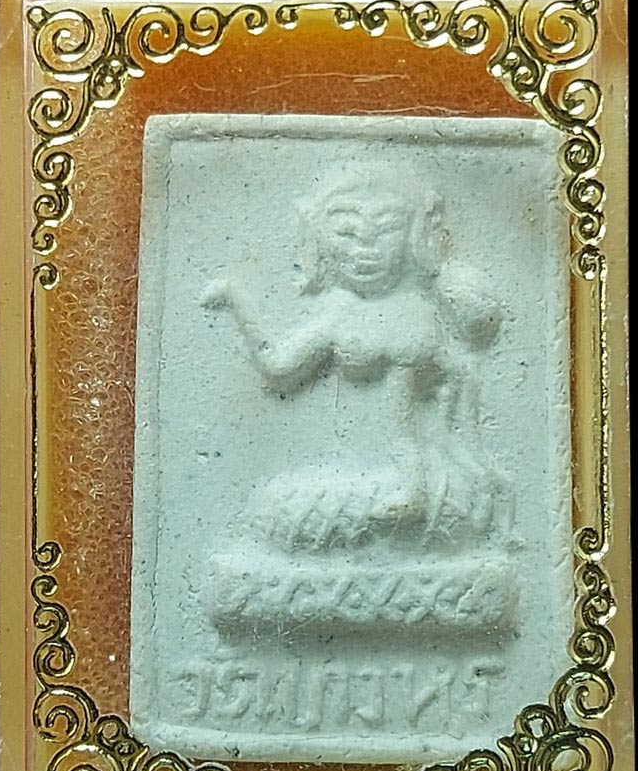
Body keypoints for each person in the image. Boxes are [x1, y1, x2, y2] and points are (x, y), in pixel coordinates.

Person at [201, 165, 512, 557]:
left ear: (414, 236)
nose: (366, 247)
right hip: (352, 478)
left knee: (438, 509)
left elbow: (418, 414)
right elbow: (278, 365)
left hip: (424, 483)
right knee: (279, 507)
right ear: (320, 239)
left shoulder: (415, 312)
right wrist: (236, 304)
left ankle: (408, 520)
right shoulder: (338, 314)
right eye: (346, 231)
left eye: (387, 229)